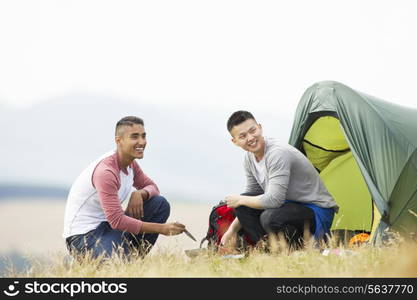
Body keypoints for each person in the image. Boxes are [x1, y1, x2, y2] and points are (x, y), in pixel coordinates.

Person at [63, 116, 185, 259]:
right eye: (134, 137)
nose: (142, 142)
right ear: (119, 141)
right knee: (115, 265)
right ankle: (120, 260)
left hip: (109, 228)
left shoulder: (130, 164)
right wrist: (162, 229)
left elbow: (153, 188)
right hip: (84, 236)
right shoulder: (106, 172)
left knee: (159, 204)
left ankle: (132, 259)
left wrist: (140, 193)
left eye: (143, 136)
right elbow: (117, 221)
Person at [221, 111, 339, 250]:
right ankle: (269, 249)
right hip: (287, 208)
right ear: (235, 141)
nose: (250, 138)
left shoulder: (277, 153)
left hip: (316, 210)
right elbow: (251, 196)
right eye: (243, 136)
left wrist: (240, 200)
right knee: (244, 204)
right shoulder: (249, 159)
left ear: (260, 127)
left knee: (269, 217)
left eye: (253, 130)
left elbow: (273, 200)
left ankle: (301, 249)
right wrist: (232, 230)